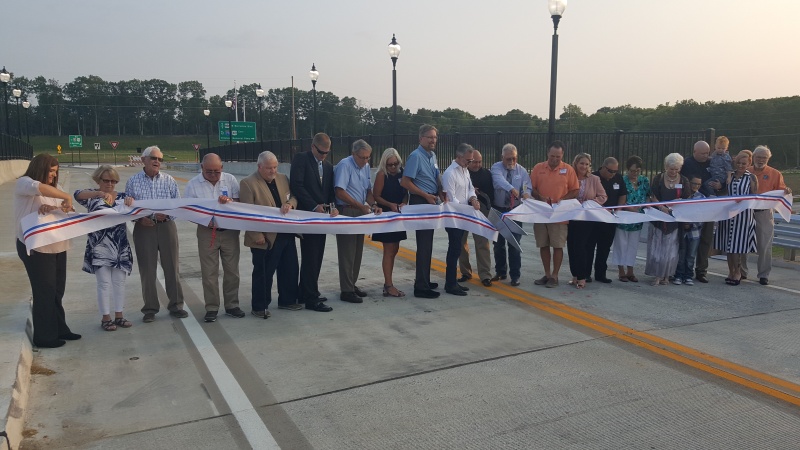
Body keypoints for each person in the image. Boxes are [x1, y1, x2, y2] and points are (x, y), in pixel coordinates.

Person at [15, 154, 80, 348]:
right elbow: (38, 188)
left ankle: (60, 329)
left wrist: (56, 206)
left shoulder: (56, 189)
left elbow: (69, 209)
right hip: (36, 247)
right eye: (51, 171)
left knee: (57, 290)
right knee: (44, 290)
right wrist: (65, 197)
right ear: (40, 168)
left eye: (56, 171)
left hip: (57, 245)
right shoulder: (24, 183)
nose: (53, 175)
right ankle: (44, 336)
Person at [125, 146, 186, 323]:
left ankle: (176, 305)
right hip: (144, 228)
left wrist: (167, 214)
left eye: (160, 159)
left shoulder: (169, 180)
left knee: (172, 267)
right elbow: (129, 208)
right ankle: (150, 308)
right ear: (143, 160)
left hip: (167, 226)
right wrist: (139, 219)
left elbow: (178, 205)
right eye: (153, 158)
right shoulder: (133, 181)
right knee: (147, 269)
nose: (157, 161)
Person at [184, 153, 245, 322]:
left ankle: (232, 305)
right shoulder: (193, 185)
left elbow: (240, 203)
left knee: (232, 271)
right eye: (209, 171)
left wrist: (230, 201)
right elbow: (188, 211)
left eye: (216, 172)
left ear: (222, 168)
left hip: (229, 232)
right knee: (209, 272)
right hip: (206, 232)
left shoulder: (230, 180)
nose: (213, 175)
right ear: (202, 168)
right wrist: (204, 221)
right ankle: (211, 307)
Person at [74, 165, 135, 331]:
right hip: (100, 246)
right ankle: (106, 317)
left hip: (120, 246)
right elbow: (76, 194)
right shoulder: (91, 197)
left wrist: (131, 202)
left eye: (113, 181)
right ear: (98, 180)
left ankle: (119, 315)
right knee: (104, 283)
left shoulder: (122, 197)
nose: (110, 184)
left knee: (119, 282)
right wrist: (99, 194)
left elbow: (136, 208)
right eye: (106, 180)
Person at [240, 151, 301, 317]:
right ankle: (259, 306)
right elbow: (247, 213)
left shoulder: (283, 179)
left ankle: (287, 300)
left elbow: (294, 197)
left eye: (275, 167)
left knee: (289, 269)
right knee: (264, 273)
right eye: (268, 168)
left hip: (286, 232)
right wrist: (256, 234)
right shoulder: (248, 183)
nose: (272, 171)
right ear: (259, 167)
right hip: (265, 237)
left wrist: (290, 204)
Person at [290, 133, 338, 312]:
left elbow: (329, 191)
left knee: (317, 256)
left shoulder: (328, 166)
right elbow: (297, 186)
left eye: (327, 152)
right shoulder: (301, 159)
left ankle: (307, 291)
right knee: (310, 257)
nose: (324, 156)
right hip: (307, 216)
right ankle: (311, 298)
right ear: (313, 147)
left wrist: (332, 207)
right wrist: (313, 206)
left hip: (322, 217)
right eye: (321, 152)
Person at [401, 124, 446, 299]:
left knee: (428, 244)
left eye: (435, 137)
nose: (433, 140)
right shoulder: (416, 156)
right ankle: (421, 287)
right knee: (424, 245)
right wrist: (425, 195)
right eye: (429, 137)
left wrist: (441, 190)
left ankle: (425, 279)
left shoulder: (432, 155)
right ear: (421, 138)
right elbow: (405, 182)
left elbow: (435, 175)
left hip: (431, 201)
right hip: (422, 202)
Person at [335, 139, 382, 303]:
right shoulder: (345, 165)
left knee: (357, 252)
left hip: (361, 211)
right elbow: (340, 192)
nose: (366, 161)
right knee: (347, 252)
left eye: (368, 157)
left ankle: (352, 284)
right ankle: (346, 290)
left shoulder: (366, 167)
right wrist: (360, 206)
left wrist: (373, 204)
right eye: (362, 157)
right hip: (347, 210)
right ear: (353, 154)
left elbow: (368, 190)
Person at [529, 140, 579, 288]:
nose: (555, 159)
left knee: (557, 245)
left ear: (562, 155)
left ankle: (555, 276)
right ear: (547, 153)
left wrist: (562, 201)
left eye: (558, 156)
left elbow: (575, 190)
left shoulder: (568, 170)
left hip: (559, 215)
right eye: (552, 156)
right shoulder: (538, 168)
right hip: (541, 213)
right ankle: (547, 274)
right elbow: (532, 188)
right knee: (543, 244)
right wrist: (541, 197)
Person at [741, 145, 792, 285]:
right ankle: (741, 272)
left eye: (764, 157)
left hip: (764, 213)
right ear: (753, 157)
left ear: (768, 158)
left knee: (764, 245)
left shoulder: (775, 174)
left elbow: (782, 190)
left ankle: (764, 275)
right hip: (746, 212)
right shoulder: (746, 171)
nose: (761, 159)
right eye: (758, 157)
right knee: (743, 243)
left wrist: (786, 191)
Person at [441, 143, 482, 296]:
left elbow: (470, 188)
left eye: (471, 160)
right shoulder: (450, 173)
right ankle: (450, 284)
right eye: (468, 160)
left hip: (464, 215)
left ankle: (453, 282)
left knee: (457, 248)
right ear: (458, 157)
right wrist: (466, 210)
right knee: (454, 249)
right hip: (455, 217)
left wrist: (473, 199)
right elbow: (451, 199)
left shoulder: (465, 170)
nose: (470, 163)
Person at [645, 153, 691, 286]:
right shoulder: (658, 178)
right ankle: (657, 275)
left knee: (670, 249)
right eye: (671, 169)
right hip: (659, 218)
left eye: (677, 169)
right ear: (666, 166)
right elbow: (652, 195)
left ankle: (666, 275)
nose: (674, 172)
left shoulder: (684, 181)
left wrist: (677, 204)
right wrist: (662, 207)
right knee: (657, 248)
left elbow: (687, 198)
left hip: (674, 220)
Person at [714, 150, 758, 286]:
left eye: (743, 163)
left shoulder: (751, 178)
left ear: (749, 163)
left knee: (737, 245)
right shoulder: (730, 176)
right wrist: (719, 187)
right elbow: (723, 191)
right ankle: (730, 271)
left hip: (743, 216)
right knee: (728, 245)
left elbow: (754, 197)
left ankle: (738, 272)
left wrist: (743, 200)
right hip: (728, 214)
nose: (740, 165)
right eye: (738, 162)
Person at [490, 144, 531, 286]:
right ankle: (500, 272)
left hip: (515, 211)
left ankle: (515, 275)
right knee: (498, 243)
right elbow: (499, 180)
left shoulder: (522, 171)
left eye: (514, 158)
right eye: (508, 158)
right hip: (498, 210)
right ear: (502, 157)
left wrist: (526, 193)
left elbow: (527, 186)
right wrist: (512, 188)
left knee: (514, 244)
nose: (511, 161)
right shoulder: (496, 168)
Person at [566, 153, 607, 289]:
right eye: (581, 163)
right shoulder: (569, 177)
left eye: (586, 164)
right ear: (576, 164)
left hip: (586, 219)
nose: (584, 166)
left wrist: (590, 203)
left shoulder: (594, 179)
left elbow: (603, 196)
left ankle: (582, 276)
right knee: (571, 246)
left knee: (580, 247)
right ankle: (575, 275)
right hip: (571, 217)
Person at [680, 141, 718, 283]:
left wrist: (720, 185)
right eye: (702, 153)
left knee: (706, 238)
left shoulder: (712, 163)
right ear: (694, 151)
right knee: (687, 240)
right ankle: (682, 270)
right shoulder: (687, 164)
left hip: (708, 206)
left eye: (707, 153)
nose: (706, 156)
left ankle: (701, 270)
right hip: (692, 206)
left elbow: (721, 178)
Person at [372, 148, 408, 297]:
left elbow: (406, 193)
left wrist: (404, 203)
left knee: (395, 249)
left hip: (398, 216)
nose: (393, 167)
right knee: (388, 250)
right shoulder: (382, 175)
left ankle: (389, 283)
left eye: (395, 163)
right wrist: (390, 204)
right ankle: (388, 284)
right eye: (390, 165)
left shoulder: (402, 173)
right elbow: (376, 196)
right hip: (386, 215)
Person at [458, 149, 495, 287]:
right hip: (463, 210)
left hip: (480, 211)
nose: (477, 165)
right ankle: (465, 272)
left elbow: (491, 195)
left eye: (480, 162)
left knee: (482, 243)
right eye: (474, 162)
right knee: (461, 242)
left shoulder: (486, 174)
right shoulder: (461, 172)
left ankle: (485, 275)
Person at [611, 156, 649, 282]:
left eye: (637, 171)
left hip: (637, 218)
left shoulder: (644, 180)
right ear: (628, 170)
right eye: (632, 171)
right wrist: (627, 207)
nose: (635, 173)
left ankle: (630, 270)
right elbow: (619, 197)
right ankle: (621, 270)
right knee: (621, 244)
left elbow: (649, 196)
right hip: (624, 218)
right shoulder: (622, 180)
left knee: (633, 245)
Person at [592, 157, 627, 283]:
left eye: (615, 171)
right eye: (610, 171)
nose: (613, 174)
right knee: (590, 247)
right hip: (594, 218)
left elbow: (623, 195)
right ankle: (585, 274)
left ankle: (600, 274)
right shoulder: (593, 177)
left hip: (610, 218)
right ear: (603, 167)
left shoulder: (618, 178)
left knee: (605, 247)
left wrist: (618, 209)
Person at [672, 176, 705, 286]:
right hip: (682, 230)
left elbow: (702, 215)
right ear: (689, 183)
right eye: (694, 183)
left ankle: (688, 276)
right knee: (681, 254)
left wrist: (690, 224)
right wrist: (684, 223)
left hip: (695, 231)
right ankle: (678, 275)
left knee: (691, 255)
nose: (695, 186)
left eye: (698, 184)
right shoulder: (682, 195)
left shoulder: (701, 197)